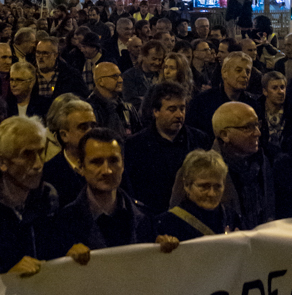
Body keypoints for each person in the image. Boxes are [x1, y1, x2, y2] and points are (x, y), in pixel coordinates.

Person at [55, 128, 179, 261]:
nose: (107, 170)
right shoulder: (62, 223)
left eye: (114, 161)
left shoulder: (145, 218)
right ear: (81, 167)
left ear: (123, 164)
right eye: (96, 162)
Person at [0, 116, 59, 274]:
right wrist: (7, 274)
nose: (38, 164)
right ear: (2, 162)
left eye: (41, 152)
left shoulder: (48, 197)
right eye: (27, 154)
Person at [124, 82, 210, 213]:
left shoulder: (200, 140)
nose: (179, 115)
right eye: (172, 109)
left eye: (182, 108)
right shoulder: (135, 145)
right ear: (156, 111)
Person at [197, 102, 275, 230]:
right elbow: (183, 220)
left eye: (257, 125)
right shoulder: (202, 170)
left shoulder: (263, 162)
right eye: (248, 127)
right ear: (225, 135)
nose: (258, 133)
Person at [156, 149, 238, 239]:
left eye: (218, 187)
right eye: (204, 186)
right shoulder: (167, 223)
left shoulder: (232, 218)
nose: (212, 193)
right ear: (187, 185)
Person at [186, 52, 255, 138]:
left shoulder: (253, 104)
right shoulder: (203, 102)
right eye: (238, 70)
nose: (245, 75)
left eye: (248, 71)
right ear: (224, 73)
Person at [43, 99, 97, 207]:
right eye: (83, 128)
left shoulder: (108, 163)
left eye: (93, 126)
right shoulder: (49, 172)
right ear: (64, 135)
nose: (91, 131)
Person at [87, 62, 141, 137]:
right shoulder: (88, 109)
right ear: (100, 81)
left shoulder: (127, 108)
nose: (120, 80)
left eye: (120, 75)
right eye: (115, 76)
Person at [256, 71, 292, 161]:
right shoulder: (256, 111)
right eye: (275, 88)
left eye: (282, 87)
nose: (280, 92)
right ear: (265, 91)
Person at [33, 38, 88, 103]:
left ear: (55, 55)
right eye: (38, 52)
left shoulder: (71, 75)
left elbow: (82, 98)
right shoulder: (28, 74)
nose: (40, 57)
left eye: (45, 53)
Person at [122, 39, 165, 110]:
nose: (157, 63)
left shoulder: (162, 76)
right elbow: (130, 102)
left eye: (160, 60)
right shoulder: (129, 76)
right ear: (144, 56)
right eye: (154, 59)